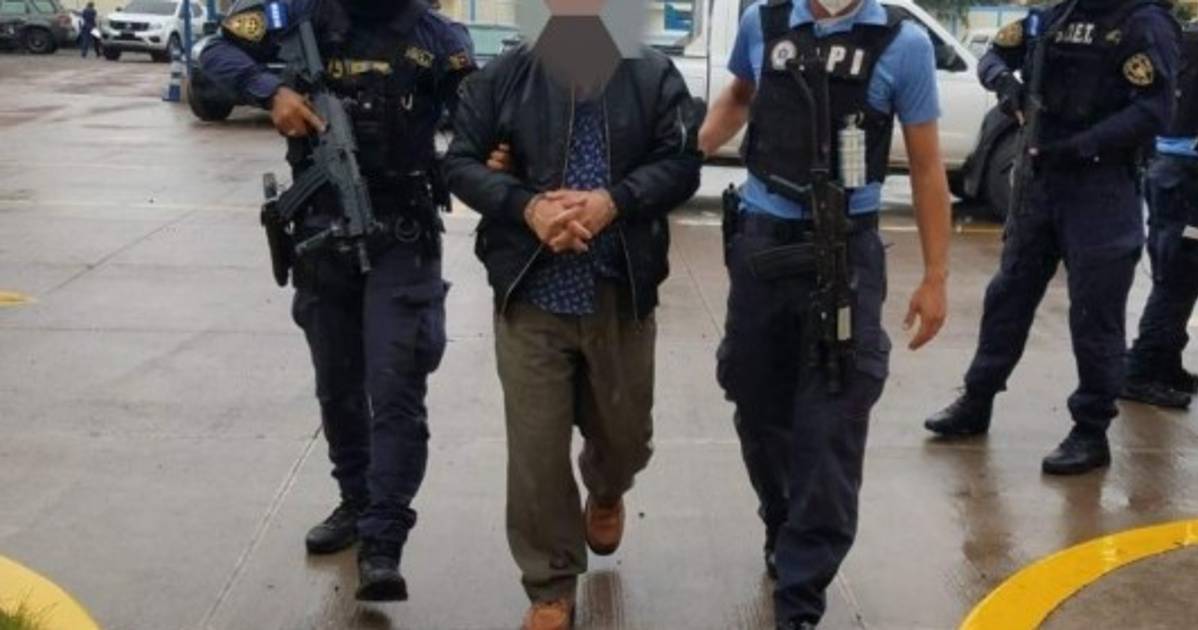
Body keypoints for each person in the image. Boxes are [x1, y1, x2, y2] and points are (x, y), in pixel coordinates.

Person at [199, 0, 474, 601]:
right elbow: (214, 52)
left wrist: (494, 152)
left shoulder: (440, 38)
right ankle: (355, 500)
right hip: (322, 230)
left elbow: (475, 122)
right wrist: (271, 92)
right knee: (338, 382)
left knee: (396, 385)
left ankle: (383, 540)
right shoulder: (295, 13)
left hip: (402, 233)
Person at [698, 0, 951, 625]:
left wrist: (936, 278)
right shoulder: (764, 22)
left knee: (832, 424)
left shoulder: (904, 43)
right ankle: (782, 519)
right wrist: (677, 161)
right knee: (756, 403)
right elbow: (738, 98)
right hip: (763, 245)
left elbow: (926, 165)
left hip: (846, 253)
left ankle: (800, 598)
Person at [444, 36, 703, 630]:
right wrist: (526, 206)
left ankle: (607, 488)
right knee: (536, 452)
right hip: (532, 290)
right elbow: (458, 162)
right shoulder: (505, 76)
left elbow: (683, 164)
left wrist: (615, 201)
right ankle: (550, 583)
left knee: (627, 438)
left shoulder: (651, 75)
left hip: (620, 288)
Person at [925, 0, 1179, 474]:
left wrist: (1086, 144)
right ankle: (977, 399)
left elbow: (1155, 110)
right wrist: (1007, 86)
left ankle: (1091, 430)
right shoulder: (1055, 16)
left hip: (1102, 187)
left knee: (1095, 315)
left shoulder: (1143, 23)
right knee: (1008, 298)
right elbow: (993, 56)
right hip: (1042, 184)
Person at [1121, 20, 1198, 409]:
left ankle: (1165, 362)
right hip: (1187, 176)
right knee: (1178, 278)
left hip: (1167, 170)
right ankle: (1140, 372)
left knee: (1180, 273)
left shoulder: (1182, 35)